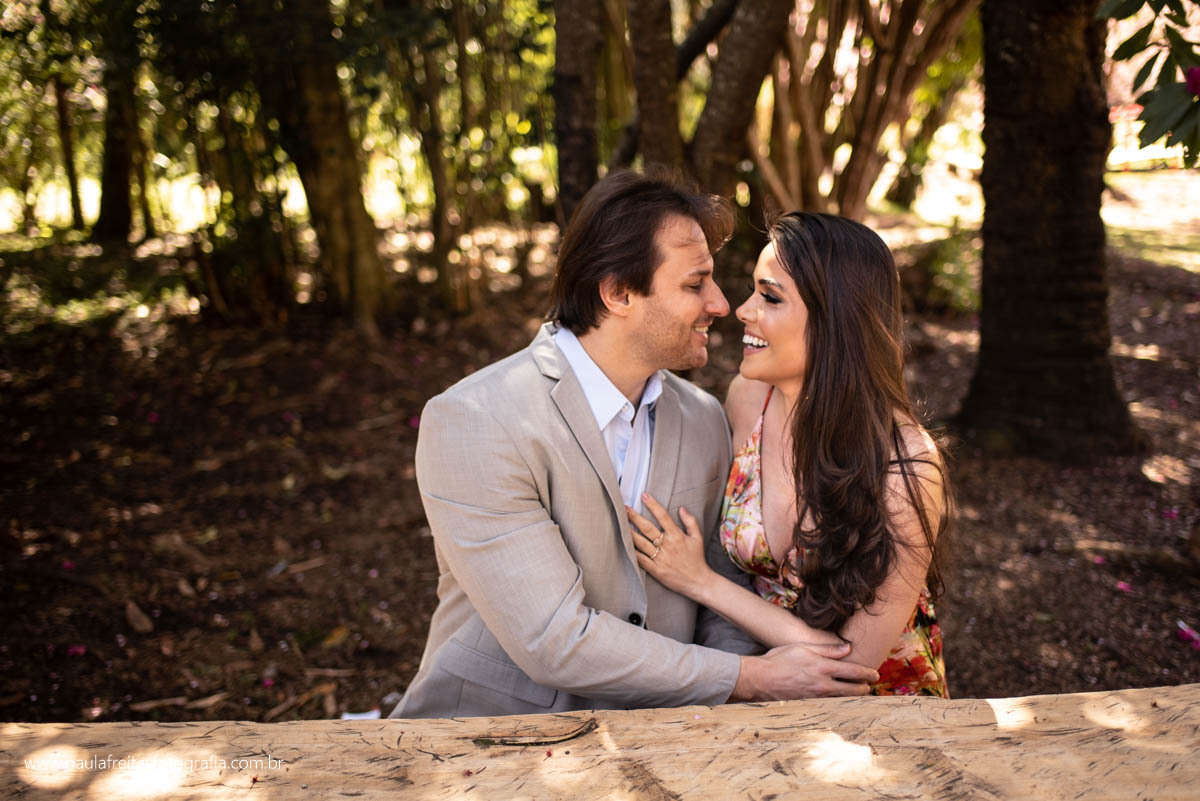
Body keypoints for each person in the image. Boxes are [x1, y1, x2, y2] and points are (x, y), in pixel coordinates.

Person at [390, 172, 878, 719]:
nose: (721, 304)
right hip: (485, 739)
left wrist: (716, 726)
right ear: (618, 292)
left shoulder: (702, 418)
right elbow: (555, 640)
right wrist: (746, 679)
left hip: (674, 736)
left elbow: (720, 594)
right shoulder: (476, 421)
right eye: (695, 286)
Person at [629, 211, 951, 697]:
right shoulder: (747, 400)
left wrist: (700, 581)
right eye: (753, 291)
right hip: (767, 693)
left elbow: (850, 667)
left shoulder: (907, 468)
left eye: (771, 297)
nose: (741, 310)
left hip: (886, 716)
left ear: (836, 321)